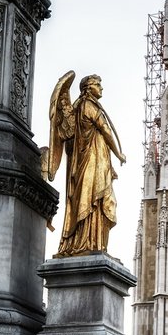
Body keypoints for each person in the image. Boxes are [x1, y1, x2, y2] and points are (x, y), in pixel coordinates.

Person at [47, 73, 126, 257]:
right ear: (88, 88)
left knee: (99, 202)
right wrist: (118, 153)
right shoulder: (87, 105)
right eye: (98, 84)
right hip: (90, 162)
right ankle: (86, 243)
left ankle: (95, 243)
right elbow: (105, 130)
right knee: (92, 200)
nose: (101, 87)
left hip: (97, 161)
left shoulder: (83, 106)